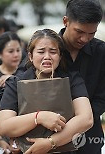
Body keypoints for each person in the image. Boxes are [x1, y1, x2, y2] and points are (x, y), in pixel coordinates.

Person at [0, 29, 93, 154]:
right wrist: (39, 117)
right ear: (30, 56)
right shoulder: (15, 83)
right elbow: (3, 126)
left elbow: (86, 118)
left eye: (53, 52)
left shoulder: (72, 79)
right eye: (41, 51)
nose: (47, 57)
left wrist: (50, 142)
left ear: (60, 56)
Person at [59, 0, 105, 153]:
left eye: (91, 33)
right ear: (66, 21)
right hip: (50, 134)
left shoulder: (101, 52)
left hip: (89, 138)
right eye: (79, 32)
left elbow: (102, 98)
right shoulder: (46, 49)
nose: (85, 39)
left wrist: (79, 120)